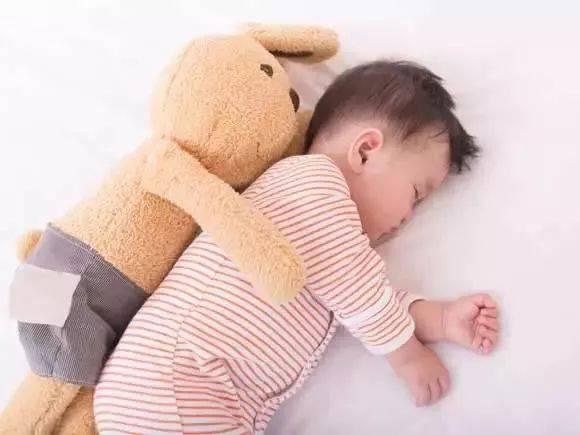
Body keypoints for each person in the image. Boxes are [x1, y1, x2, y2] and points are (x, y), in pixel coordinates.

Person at [94, 60, 500, 434]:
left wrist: (441, 319)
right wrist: (407, 355)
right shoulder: (313, 183)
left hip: (191, 392)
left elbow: (364, 298)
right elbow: (360, 293)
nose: (410, 216)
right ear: (365, 151)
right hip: (179, 379)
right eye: (415, 194)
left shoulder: (332, 247)